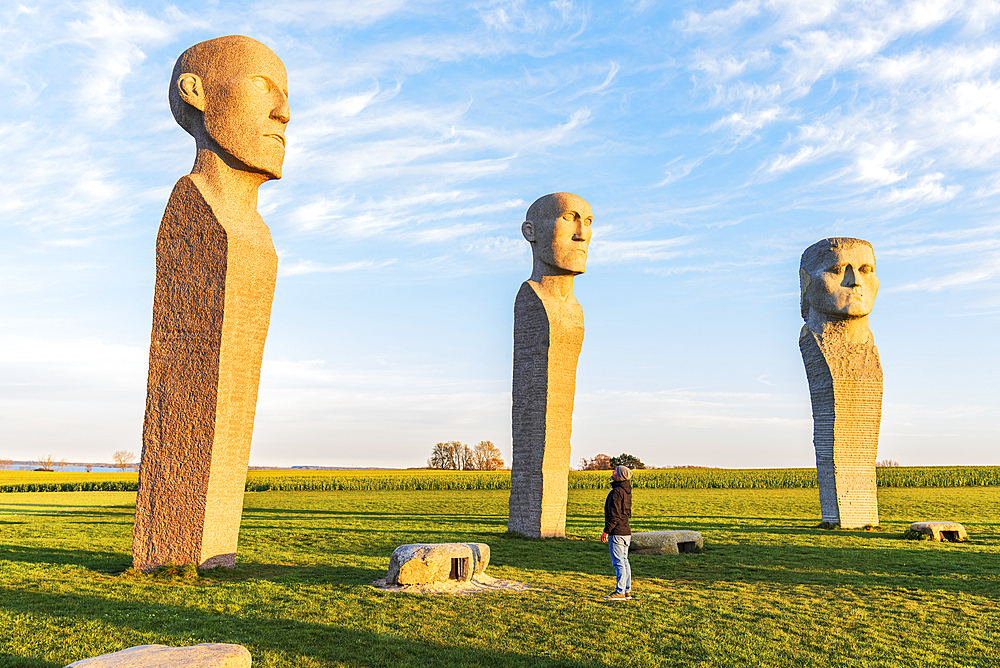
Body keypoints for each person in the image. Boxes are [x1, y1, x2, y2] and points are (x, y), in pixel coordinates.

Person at [601, 464, 632, 600]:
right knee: (624, 561)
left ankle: (619, 592)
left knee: (619, 562)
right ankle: (627, 590)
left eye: (615, 471)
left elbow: (614, 515)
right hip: (626, 532)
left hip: (617, 532)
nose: (613, 472)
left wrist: (606, 531)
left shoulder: (616, 492)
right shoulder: (626, 491)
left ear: (619, 476)